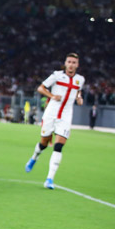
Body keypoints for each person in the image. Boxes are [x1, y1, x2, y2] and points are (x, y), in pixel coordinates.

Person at [24, 53, 84, 189]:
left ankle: (49, 179)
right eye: (69, 61)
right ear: (65, 63)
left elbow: (78, 91)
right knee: (44, 143)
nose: (71, 64)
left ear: (77, 65)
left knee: (58, 146)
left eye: (74, 62)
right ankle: (34, 157)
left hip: (66, 116)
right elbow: (40, 88)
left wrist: (79, 98)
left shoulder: (80, 79)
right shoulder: (56, 75)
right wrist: (51, 96)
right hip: (51, 114)